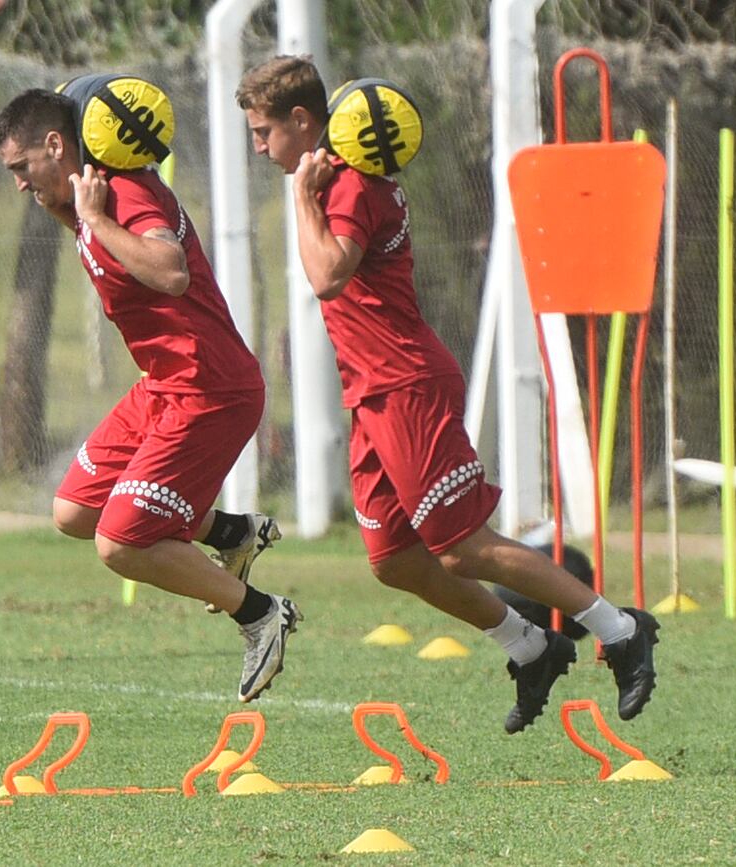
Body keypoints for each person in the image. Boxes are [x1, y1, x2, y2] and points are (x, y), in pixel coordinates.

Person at [236, 55, 659, 731]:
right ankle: (530, 644)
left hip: (405, 384)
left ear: (302, 121)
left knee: (461, 545)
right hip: (374, 393)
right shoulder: (336, 178)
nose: (259, 146)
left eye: (264, 131)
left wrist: (301, 198)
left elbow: (326, 276)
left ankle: (619, 629)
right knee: (394, 560)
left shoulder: (348, 183)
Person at [0, 87, 299, 702]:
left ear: (57, 145)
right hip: (164, 385)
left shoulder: (121, 194)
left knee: (122, 542)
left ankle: (260, 613)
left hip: (210, 388)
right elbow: (89, 232)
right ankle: (231, 534)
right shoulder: (88, 196)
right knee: (75, 512)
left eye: (22, 168)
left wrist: (97, 218)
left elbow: (169, 268)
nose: (19, 184)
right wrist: (80, 212)